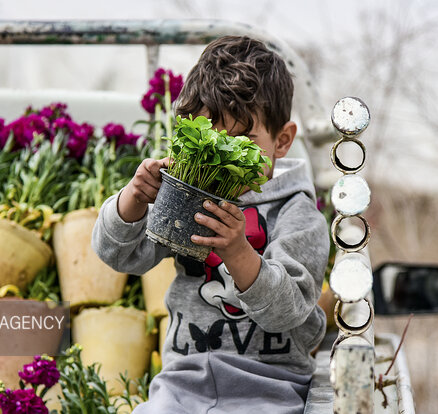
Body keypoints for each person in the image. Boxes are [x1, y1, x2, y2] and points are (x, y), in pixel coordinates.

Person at [91, 35, 330, 414]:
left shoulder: (298, 214)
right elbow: (120, 256)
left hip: (271, 389)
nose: (221, 154)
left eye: (243, 140)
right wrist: (133, 199)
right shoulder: (188, 190)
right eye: (211, 138)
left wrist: (237, 252)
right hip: (181, 386)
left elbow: (289, 310)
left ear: (282, 140)